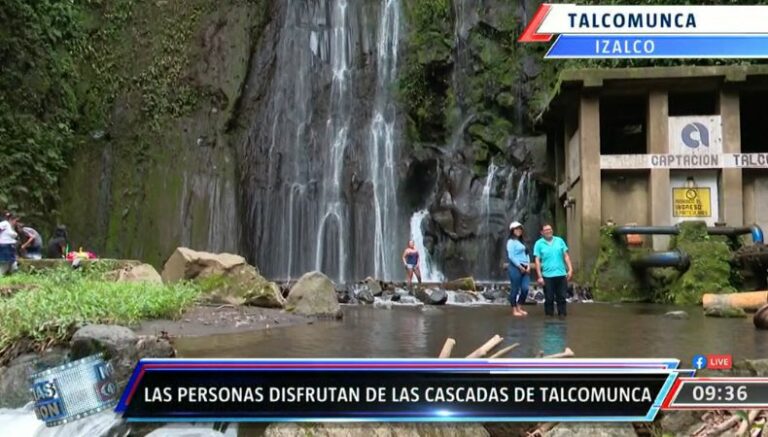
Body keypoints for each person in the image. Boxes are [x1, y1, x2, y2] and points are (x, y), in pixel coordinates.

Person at [533, 223, 573, 317]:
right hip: (547, 275)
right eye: (546, 230)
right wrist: (539, 276)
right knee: (549, 298)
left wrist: (570, 269)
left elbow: (566, 256)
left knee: (562, 297)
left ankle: (562, 316)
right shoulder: (539, 243)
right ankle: (549, 316)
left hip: (561, 274)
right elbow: (537, 260)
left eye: (550, 229)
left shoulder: (559, 240)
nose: (549, 231)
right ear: (542, 232)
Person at [506, 221, 530, 317]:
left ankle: (519, 306)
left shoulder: (522, 241)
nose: (519, 230)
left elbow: (527, 254)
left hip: (525, 267)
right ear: (512, 230)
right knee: (515, 289)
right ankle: (514, 309)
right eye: (516, 229)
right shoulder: (510, 242)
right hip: (515, 267)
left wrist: (528, 265)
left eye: (520, 229)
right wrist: (519, 266)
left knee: (525, 289)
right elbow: (511, 256)